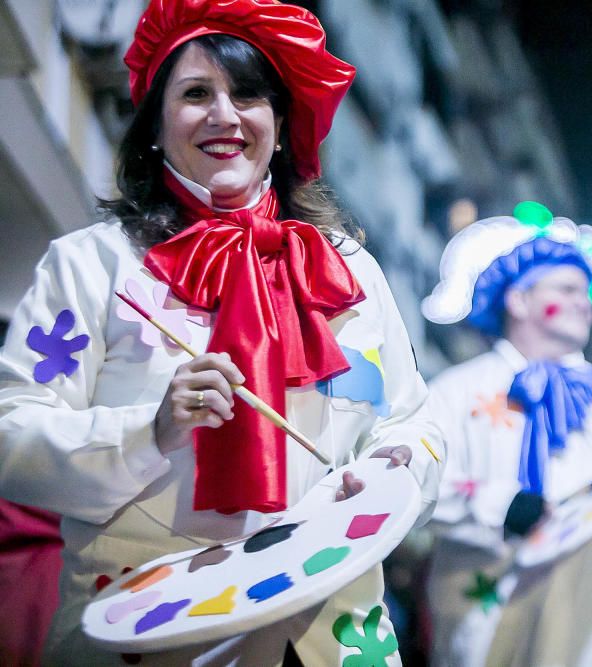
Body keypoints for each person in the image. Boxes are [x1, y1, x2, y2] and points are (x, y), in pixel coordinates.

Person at [0, 1, 443, 664]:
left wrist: (386, 472)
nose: (225, 116)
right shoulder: (92, 263)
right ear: (154, 121)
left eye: (248, 95)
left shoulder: (347, 267)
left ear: (280, 120)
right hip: (150, 632)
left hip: (330, 634)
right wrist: (151, 431)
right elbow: (12, 434)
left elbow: (414, 424)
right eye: (196, 94)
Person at [421, 204, 592, 667]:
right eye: (567, 289)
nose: (584, 303)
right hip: (489, 602)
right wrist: (503, 507)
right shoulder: (454, 391)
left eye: (586, 293)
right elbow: (420, 483)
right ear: (518, 300)